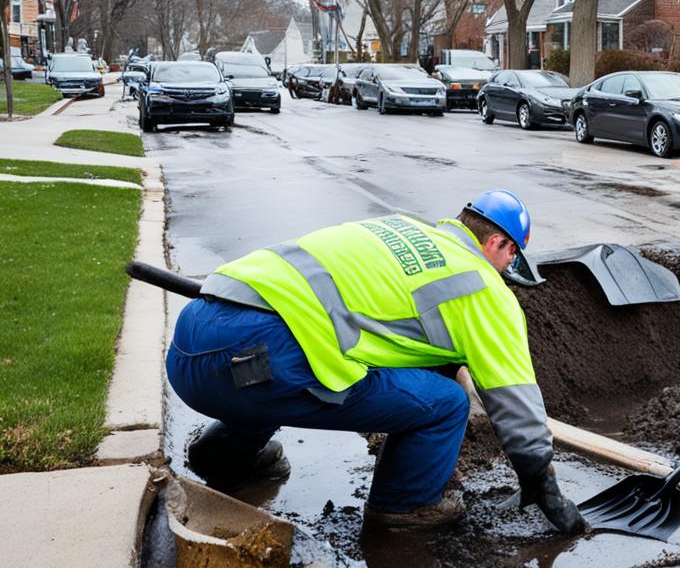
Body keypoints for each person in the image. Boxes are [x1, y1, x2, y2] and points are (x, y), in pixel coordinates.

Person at [165, 190, 586, 533]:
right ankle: (406, 507)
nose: (510, 266)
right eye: (513, 255)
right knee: (447, 404)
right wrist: (538, 479)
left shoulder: (401, 228)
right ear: (498, 243)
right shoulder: (484, 289)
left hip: (193, 343)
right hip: (261, 363)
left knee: (322, 350)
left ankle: (220, 456)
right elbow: (515, 397)